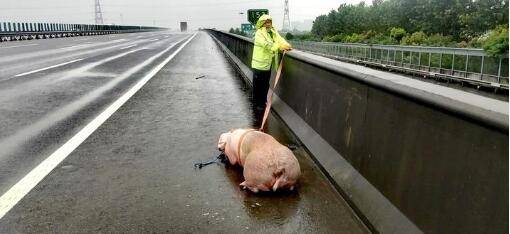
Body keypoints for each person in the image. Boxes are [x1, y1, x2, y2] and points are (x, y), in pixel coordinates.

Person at [251, 14, 292, 110]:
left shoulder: (273, 32)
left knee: (265, 84)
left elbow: (280, 40)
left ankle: (263, 101)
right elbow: (267, 45)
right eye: (265, 22)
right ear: (262, 23)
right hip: (258, 65)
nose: (268, 24)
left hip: (267, 65)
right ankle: (257, 104)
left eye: (269, 22)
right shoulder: (259, 33)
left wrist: (287, 46)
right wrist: (279, 46)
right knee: (258, 86)